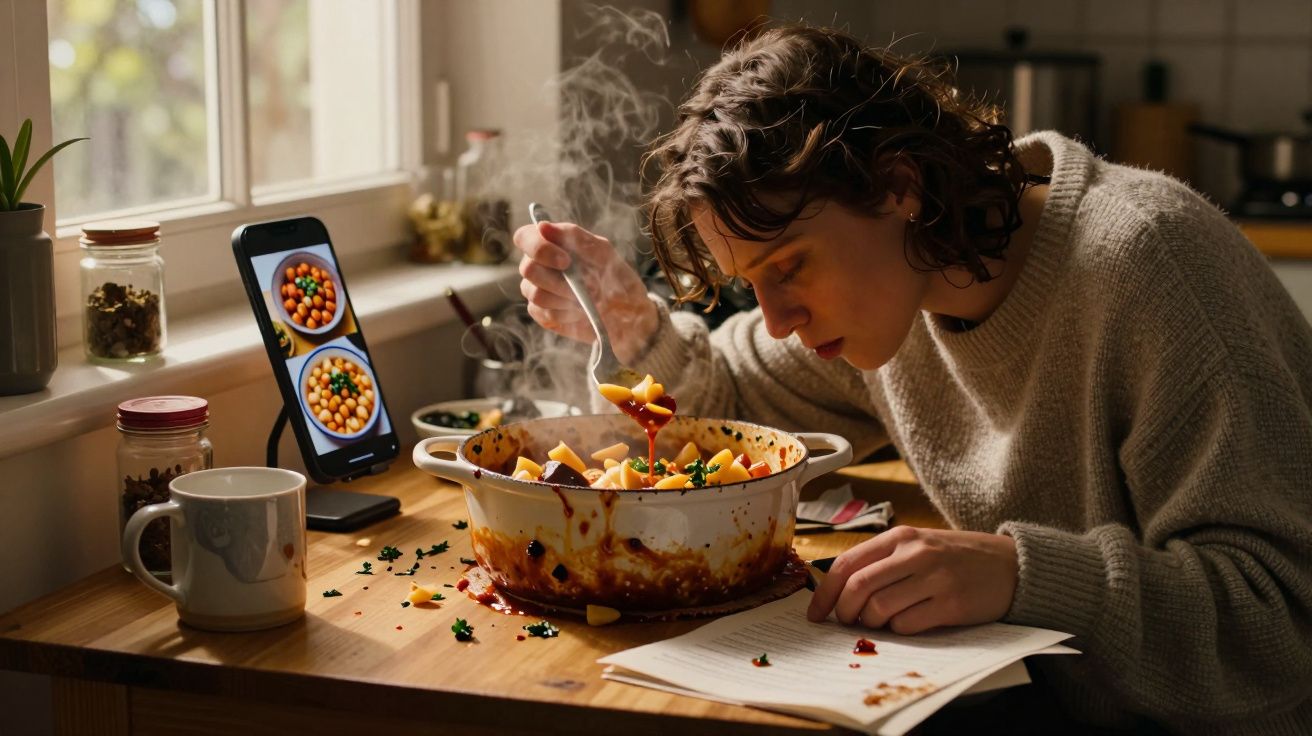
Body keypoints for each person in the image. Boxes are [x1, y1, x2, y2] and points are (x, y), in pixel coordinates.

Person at [512, 24, 1312, 734]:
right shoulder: (897, 290)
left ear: (899, 186)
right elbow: (729, 402)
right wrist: (626, 321)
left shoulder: (1148, 263)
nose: (779, 318)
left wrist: (1022, 575)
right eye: (750, 283)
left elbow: (1283, 633)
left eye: (789, 266)